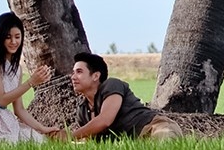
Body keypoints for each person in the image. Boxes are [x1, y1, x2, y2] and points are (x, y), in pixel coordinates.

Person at [49, 52, 182, 141]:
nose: (73, 77)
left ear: (96, 75)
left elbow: (105, 120)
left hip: (155, 128)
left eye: (79, 72)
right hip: (133, 144)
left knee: (165, 149)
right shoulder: (83, 111)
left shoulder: (112, 85)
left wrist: (70, 136)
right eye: (73, 73)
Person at [0, 12, 58, 144]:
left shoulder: (17, 69)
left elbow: (19, 110)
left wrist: (42, 128)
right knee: (9, 146)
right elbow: (1, 100)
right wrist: (31, 82)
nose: (13, 42)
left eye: (17, 37)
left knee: (42, 142)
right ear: (0, 37)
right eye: (8, 37)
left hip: (4, 118)